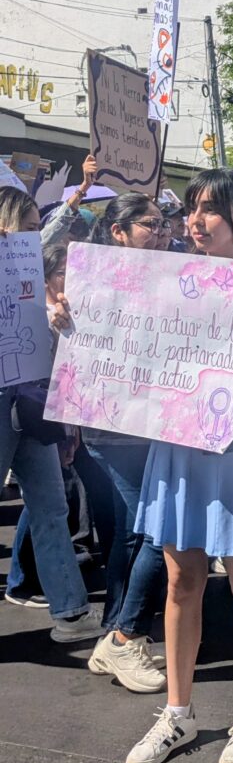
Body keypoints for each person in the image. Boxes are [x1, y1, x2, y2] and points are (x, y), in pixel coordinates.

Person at [123, 170, 233, 763]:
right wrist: (75, 323)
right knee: (181, 579)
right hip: (181, 445)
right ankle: (177, 713)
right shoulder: (168, 277)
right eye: (192, 211)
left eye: (210, 211)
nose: (195, 222)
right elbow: (123, 336)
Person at [0, 187, 102, 640]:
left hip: (33, 405)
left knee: (51, 506)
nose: (34, 237)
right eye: (27, 227)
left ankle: (70, 612)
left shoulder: (26, 272)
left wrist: (54, 321)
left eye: (35, 229)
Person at [83, 194, 173, 692]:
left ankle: (112, 633)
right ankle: (123, 638)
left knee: (132, 532)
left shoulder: (165, 274)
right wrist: (62, 319)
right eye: (148, 225)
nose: (160, 233)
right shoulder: (94, 279)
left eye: (163, 225)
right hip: (114, 428)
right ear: (117, 231)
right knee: (158, 533)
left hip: (148, 424)